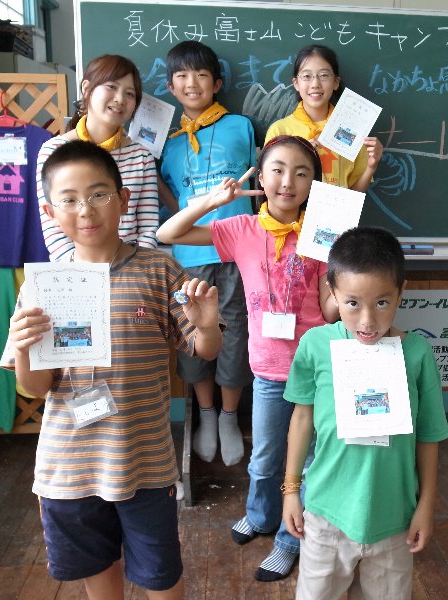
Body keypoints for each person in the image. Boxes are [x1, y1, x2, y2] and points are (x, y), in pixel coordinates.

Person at [1, 140, 223, 599]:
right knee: (99, 574)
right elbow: (35, 387)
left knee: (161, 576)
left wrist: (205, 326)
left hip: (145, 463)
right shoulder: (44, 286)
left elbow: (204, 349)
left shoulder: (159, 270)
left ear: (123, 200)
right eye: (69, 199)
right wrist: (23, 349)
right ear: (50, 212)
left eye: (98, 194)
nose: (85, 210)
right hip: (70, 467)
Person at [156, 135, 339, 582]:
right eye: (278, 169)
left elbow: (329, 310)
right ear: (261, 176)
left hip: (315, 370)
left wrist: (345, 280)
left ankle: (290, 540)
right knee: (264, 458)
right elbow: (167, 234)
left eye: (301, 173)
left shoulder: (321, 232)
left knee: (306, 463)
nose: (288, 181)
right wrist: (213, 201)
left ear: (313, 184)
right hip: (267, 367)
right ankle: (260, 515)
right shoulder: (242, 229)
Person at [281, 226, 448, 599]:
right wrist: (291, 490)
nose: (368, 321)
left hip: (394, 519)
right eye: (353, 303)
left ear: (401, 294)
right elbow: (301, 419)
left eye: (382, 302)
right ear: (332, 293)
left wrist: (426, 505)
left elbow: (429, 435)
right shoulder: (316, 345)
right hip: (326, 514)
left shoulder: (417, 354)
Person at [160, 40, 256, 466]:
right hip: (188, 255)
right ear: (170, 86)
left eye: (201, 74)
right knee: (192, 331)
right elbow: (169, 195)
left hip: (236, 250)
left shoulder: (241, 126)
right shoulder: (168, 142)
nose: (191, 83)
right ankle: (206, 412)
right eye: (181, 76)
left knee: (235, 331)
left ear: (217, 83)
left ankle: (230, 415)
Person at [37, 54, 159, 261]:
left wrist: (133, 269)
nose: (120, 99)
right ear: (87, 89)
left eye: (129, 94)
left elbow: (148, 228)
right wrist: (79, 270)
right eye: (111, 87)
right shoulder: (53, 150)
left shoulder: (141, 156)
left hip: (131, 269)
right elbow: (52, 226)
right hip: (76, 271)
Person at [265, 44, 383, 193]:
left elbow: (353, 195)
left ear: (335, 82)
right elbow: (269, 187)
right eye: (307, 76)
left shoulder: (352, 131)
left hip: (336, 208)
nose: (315, 84)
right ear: (296, 83)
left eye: (324, 75)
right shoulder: (279, 130)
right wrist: (300, 154)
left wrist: (371, 166)